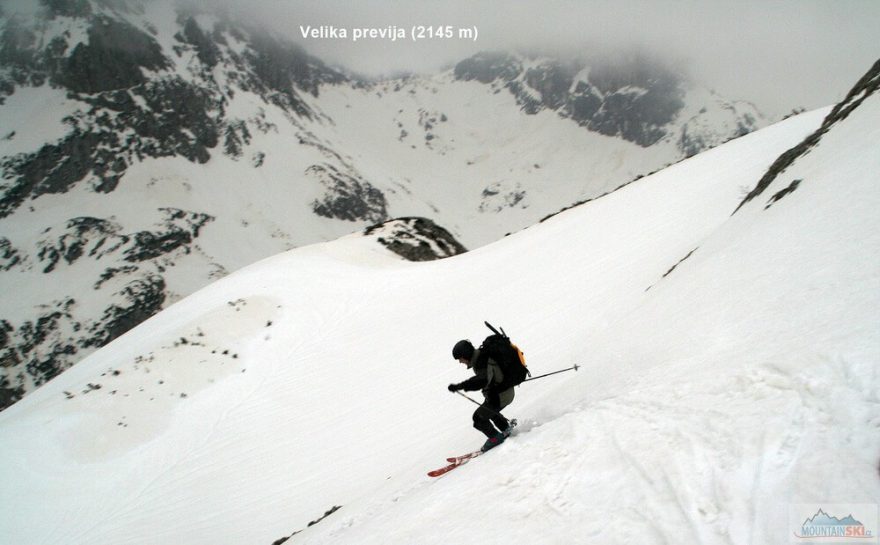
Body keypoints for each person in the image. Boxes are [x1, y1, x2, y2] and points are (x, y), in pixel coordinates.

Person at [447, 339, 515, 451]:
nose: (460, 362)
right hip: (503, 392)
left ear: (466, 355)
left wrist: (459, 386)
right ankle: (505, 428)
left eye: (460, 358)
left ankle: (495, 438)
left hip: (501, 395)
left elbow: (481, 381)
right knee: (488, 411)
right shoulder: (481, 356)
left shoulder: (481, 361)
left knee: (478, 419)